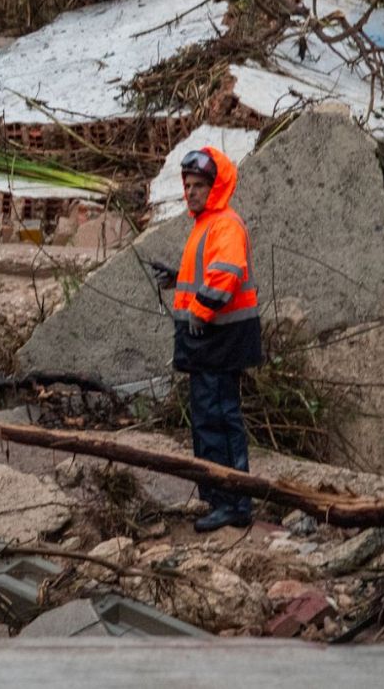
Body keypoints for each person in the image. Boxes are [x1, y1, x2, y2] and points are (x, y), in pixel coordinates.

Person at [148, 146, 262, 532]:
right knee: (209, 420)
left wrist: (199, 311)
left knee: (219, 420)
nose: (191, 192)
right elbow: (206, 275)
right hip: (210, 342)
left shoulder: (224, 224)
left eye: (199, 185)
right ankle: (220, 497)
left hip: (218, 341)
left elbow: (225, 276)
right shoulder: (207, 225)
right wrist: (177, 281)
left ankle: (233, 501)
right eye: (188, 185)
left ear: (215, 187)